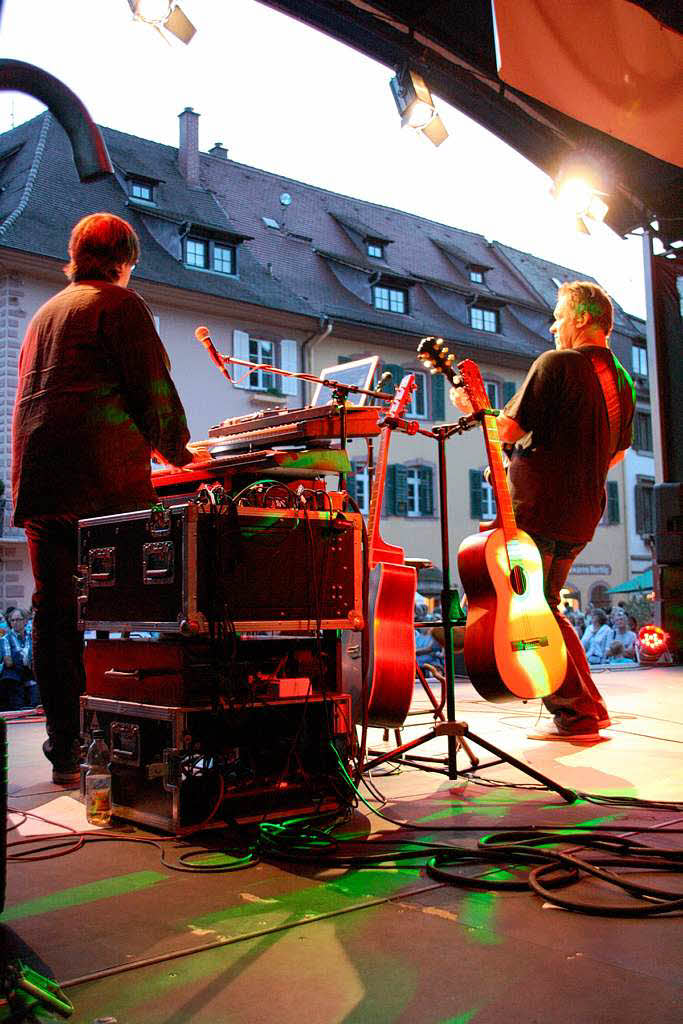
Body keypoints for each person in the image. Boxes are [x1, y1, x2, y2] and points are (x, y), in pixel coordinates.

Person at [11, 212, 194, 783]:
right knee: (138, 607)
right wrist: (184, 456)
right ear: (126, 260)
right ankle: (130, 736)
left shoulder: (44, 314)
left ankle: (65, 747)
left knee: (54, 613)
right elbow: (153, 394)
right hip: (99, 483)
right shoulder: (119, 304)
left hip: (41, 483)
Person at [452, 280, 635, 741]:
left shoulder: (557, 364)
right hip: (585, 511)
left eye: (557, 316)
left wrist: (474, 409)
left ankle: (576, 715)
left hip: (539, 506)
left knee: (532, 608)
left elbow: (509, 428)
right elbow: (617, 453)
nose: (552, 326)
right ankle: (589, 707)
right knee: (548, 605)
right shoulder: (624, 380)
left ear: (581, 318)